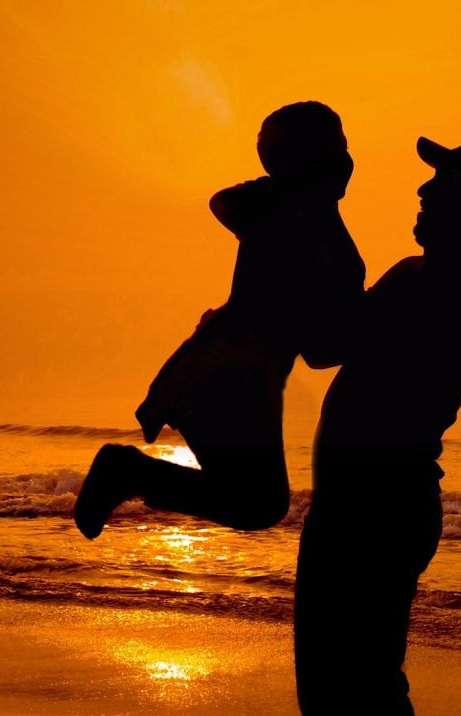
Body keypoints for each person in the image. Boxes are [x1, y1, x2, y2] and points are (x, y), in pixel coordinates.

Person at [293, 136, 461, 716]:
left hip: (372, 511)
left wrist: (322, 213)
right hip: (372, 506)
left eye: (442, 183)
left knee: (351, 692)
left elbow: (323, 345)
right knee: (350, 691)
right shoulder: (431, 277)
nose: (423, 192)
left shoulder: (438, 284)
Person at [74, 101, 365, 539]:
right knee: (257, 503)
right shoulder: (324, 244)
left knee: (255, 500)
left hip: (220, 370)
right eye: (336, 148)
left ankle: (128, 472)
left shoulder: (278, 213)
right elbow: (323, 351)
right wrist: (376, 323)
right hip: (231, 376)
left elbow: (225, 202)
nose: (347, 161)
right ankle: (126, 471)